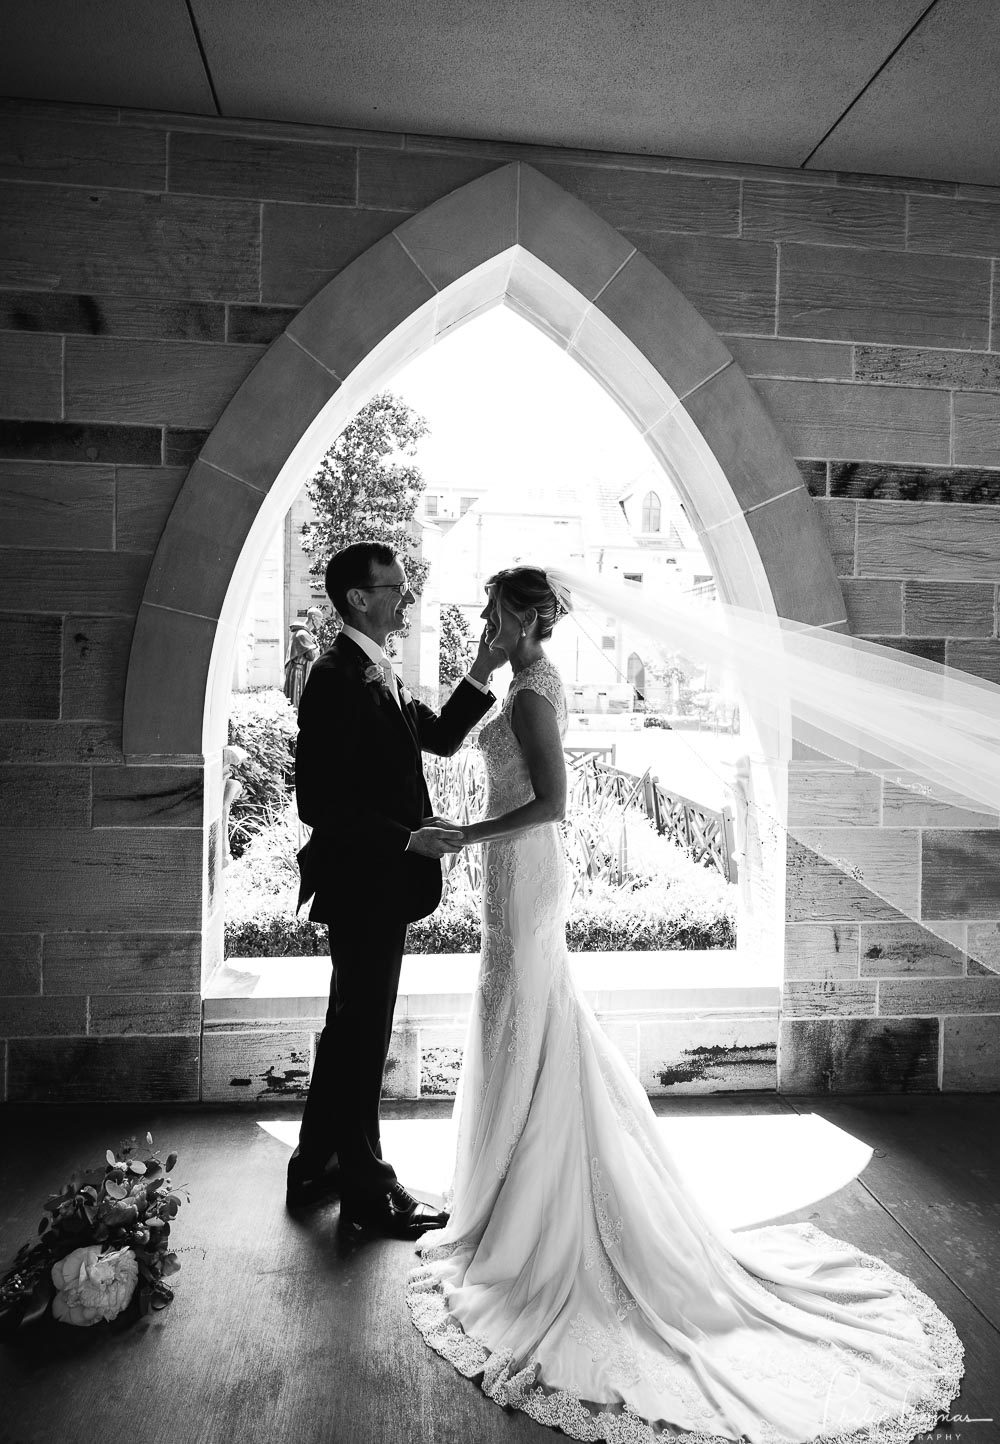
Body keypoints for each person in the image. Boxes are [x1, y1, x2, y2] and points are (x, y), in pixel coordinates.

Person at [407, 566, 963, 1444]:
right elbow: (447, 740)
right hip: (514, 879)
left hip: (523, 876)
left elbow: (552, 803)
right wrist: (477, 686)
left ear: (523, 619)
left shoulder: (531, 698)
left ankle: (529, 1207)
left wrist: (459, 836)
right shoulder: (519, 684)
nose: (481, 621)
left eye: (491, 612)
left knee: (526, 1017)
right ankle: (512, 1185)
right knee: (523, 1021)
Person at [287, 541, 506, 1237]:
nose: (405, 599)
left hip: (379, 882)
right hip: (363, 885)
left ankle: (314, 1163)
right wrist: (405, 837)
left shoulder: (377, 669)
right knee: (361, 1036)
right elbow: (319, 801)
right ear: (358, 597)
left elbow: (436, 739)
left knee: (350, 1029)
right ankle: (367, 1196)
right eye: (395, 589)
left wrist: (483, 667)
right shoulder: (334, 676)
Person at [282, 618, 321, 708]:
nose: (321, 623)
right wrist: (316, 649)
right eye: (320, 619)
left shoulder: (302, 633)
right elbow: (311, 656)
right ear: (314, 618)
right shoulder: (303, 634)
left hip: (297, 670)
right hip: (298, 672)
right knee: (296, 699)